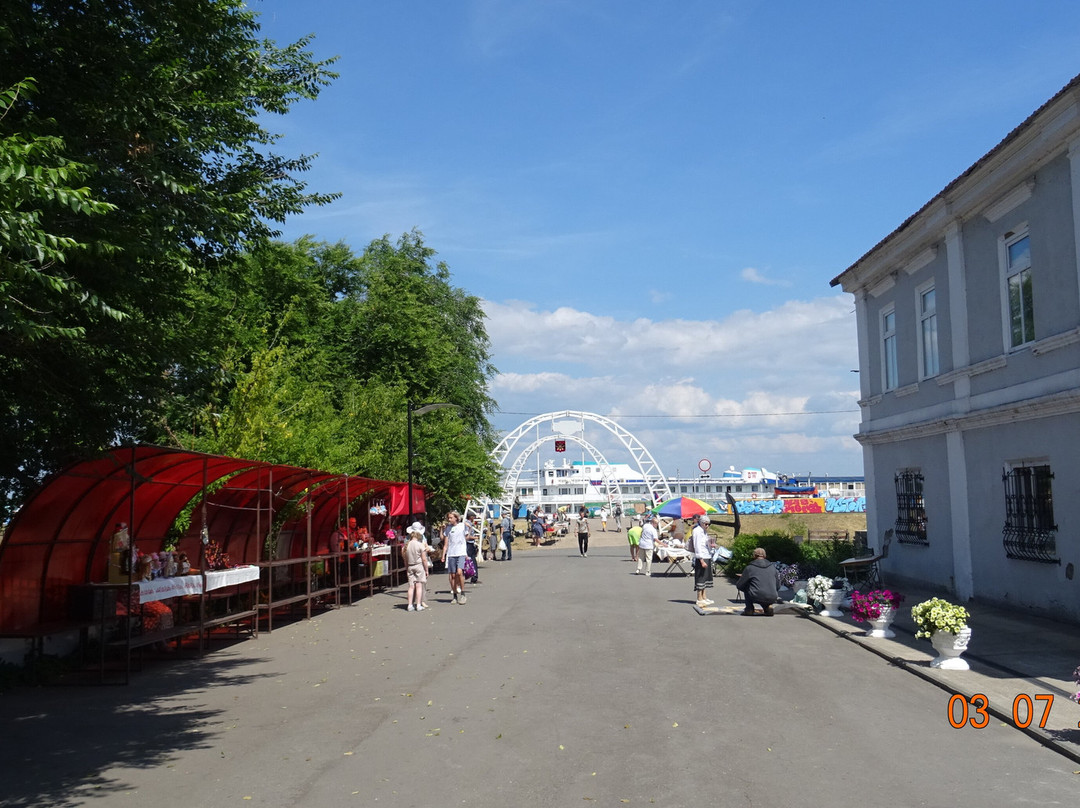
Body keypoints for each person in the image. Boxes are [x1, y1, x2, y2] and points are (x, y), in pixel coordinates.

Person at [735, 547, 781, 616]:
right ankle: (768, 607)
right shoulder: (772, 568)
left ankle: (749, 608)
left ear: (754, 556)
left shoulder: (750, 568)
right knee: (763, 590)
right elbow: (778, 585)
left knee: (748, 585)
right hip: (772, 597)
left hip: (755, 596)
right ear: (765, 556)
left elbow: (740, 585)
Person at [441, 510, 469, 604]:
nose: (449, 519)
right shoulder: (448, 528)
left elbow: (467, 536)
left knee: (459, 572)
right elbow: (446, 543)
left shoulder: (462, 526)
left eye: (451, 518)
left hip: (460, 552)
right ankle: (454, 595)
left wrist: (469, 529)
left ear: (456, 518)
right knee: (452, 575)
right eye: (448, 518)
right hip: (451, 553)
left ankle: (463, 594)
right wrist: (443, 555)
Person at [402, 523, 430, 611]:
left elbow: (405, 560)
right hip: (418, 566)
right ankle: (418, 604)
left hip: (410, 566)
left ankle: (410, 605)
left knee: (411, 586)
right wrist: (426, 570)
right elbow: (424, 559)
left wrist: (407, 568)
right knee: (419, 586)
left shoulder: (406, 546)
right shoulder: (420, 545)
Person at [691, 515, 715, 607]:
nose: (707, 526)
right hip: (701, 557)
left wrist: (711, 545)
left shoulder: (704, 532)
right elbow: (697, 546)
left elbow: (704, 544)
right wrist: (701, 560)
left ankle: (704, 596)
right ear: (701, 522)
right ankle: (699, 598)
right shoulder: (697, 531)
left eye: (709, 524)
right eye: (706, 524)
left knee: (705, 577)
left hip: (707, 555)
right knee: (700, 577)